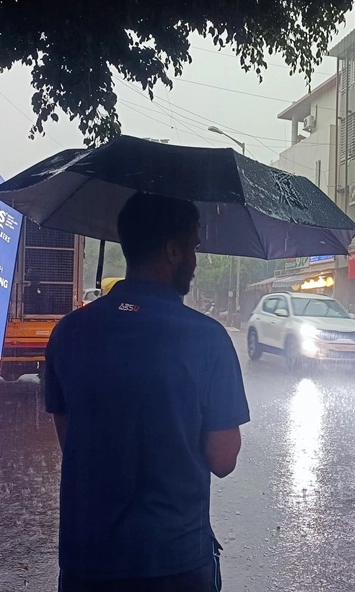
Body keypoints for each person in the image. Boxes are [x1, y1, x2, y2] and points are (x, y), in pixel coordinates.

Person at [45, 193, 250, 592]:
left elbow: (72, 443)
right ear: (172, 251)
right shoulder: (208, 339)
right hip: (174, 563)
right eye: (192, 246)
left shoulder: (68, 333)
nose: (195, 259)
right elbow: (223, 459)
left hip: (88, 562)